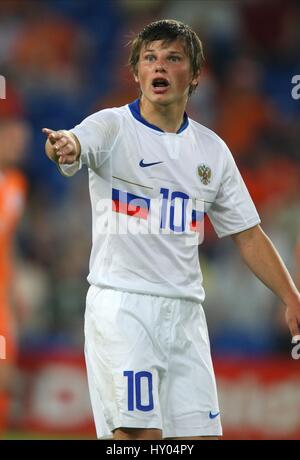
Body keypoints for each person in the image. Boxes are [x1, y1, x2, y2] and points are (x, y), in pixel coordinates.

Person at [42, 20, 300, 440]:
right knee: (139, 440)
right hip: (124, 309)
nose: (159, 65)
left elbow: (248, 234)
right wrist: (63, 145)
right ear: (137, 73)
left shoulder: (212, 151)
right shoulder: (111, 127)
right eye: (150, 58)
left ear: (194, 75)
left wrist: (291, 296)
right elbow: (71, 143)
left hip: (185, 316)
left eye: (172, 58)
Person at [0, 116, 29, 436]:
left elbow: (8, 245)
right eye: (12, 139)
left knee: (5, 375)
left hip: (1, 295)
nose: (18, 148)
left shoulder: (17, 185)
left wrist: (12, 292)